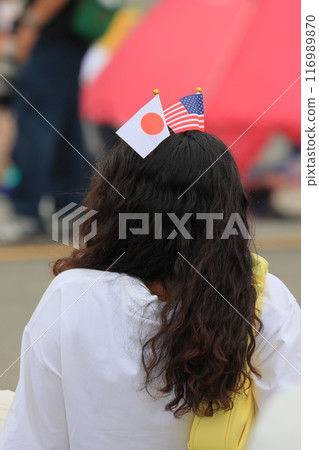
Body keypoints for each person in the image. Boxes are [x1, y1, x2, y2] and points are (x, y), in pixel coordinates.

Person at [0, 131, 300, 449]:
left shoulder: (72, 295)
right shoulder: (261, 295)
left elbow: (33, 438)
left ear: (115, 204)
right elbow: (294, 424)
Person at [1, 0, 90, 242]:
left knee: (35, 124)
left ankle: (25, 210)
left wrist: (30, 24)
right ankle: (70, 209)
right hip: (67, 36)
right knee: (65, 127)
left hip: (50, 35)